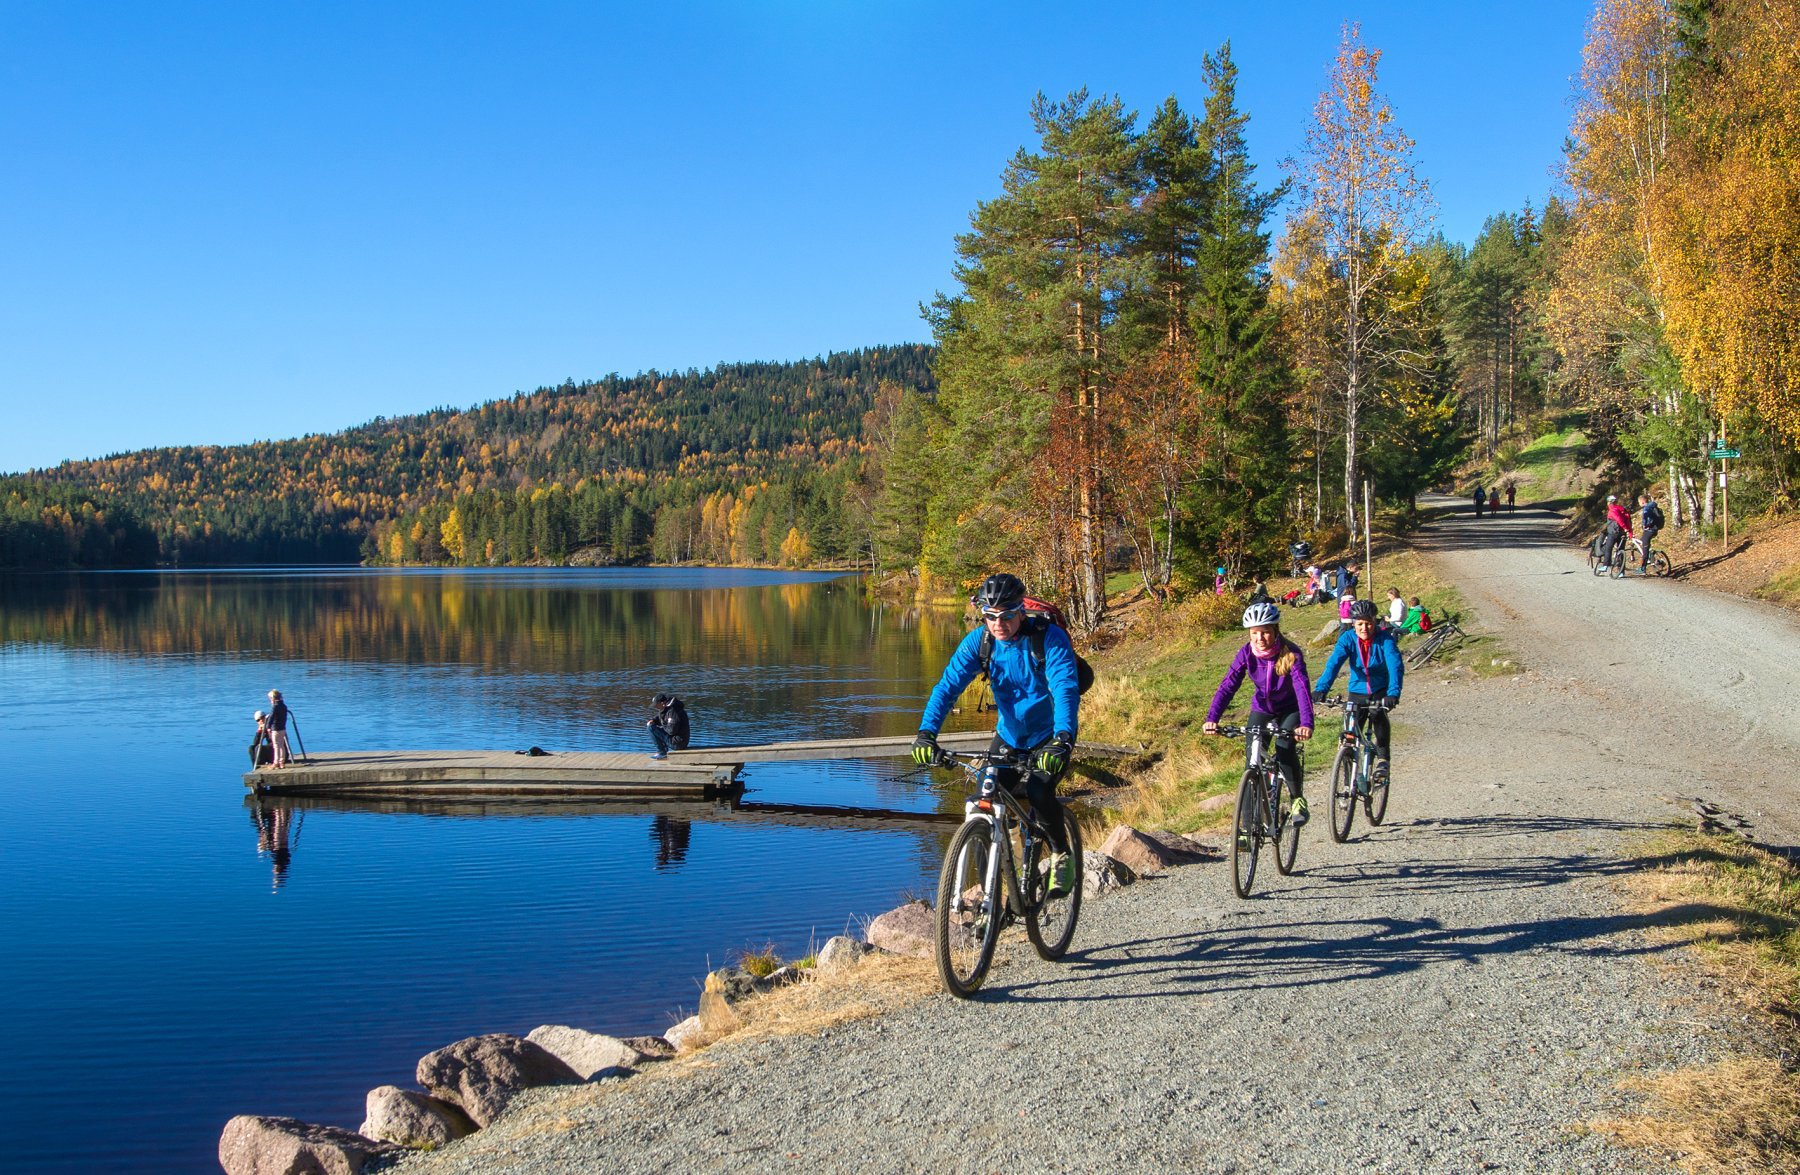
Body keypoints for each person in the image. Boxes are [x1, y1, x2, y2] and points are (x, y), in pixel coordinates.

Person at [912, 573, 1082, 895]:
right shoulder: (980, 642)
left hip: (1050, 735)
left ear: (1021, 611)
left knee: (1039, 791)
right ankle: (995, 892)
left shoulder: (1048, 639)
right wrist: (926, 733)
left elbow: (1064, 689)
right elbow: (947, 687)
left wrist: (1063, 739)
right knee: (981, 804)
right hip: (1009, 736)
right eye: (990, 616)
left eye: (1005, 615)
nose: (998, 624)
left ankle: (1061, 853)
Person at [1204, 602, 1315, 827]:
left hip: (1289, 710)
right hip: (1262, 709)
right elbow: (1228, 686)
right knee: (1251, 761)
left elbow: (1302, 689)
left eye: (1265, 632)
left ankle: (1297, 800)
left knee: (1284, 750)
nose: (1259, 638)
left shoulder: (1291, 654)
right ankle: (1246, 828)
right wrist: (1212, 719)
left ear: (1275, 630)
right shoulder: (1246, 653)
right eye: (1254, 633)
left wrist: (1306, 723)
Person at [1312, 599, 1404, 785]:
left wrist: (1393, 694)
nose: (1364, 628)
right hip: (1357, 690)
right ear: (1353, 624)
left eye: (1368, 623)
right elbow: (1333, 664)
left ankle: (1383, 759)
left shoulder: (1385, 639)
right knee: (1349, 734)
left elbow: (1395, 666)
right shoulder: (1347, 639)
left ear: (1375, 622)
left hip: (1380, 689)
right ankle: (1349, 777)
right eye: (1359, 624)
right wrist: (1321, 689)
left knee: (1377, 713)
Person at [646, 693, 690, 759]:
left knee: (651, 728)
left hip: (678, 743)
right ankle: (662, 751)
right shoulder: (667, 708)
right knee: (651, 725)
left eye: (656, 705)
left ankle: (662, 753)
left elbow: (672, 731)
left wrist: (661, 727)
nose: (655, 707)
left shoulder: (673, 711)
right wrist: (653, 720)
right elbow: (661, 717)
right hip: (677, 740)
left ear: (662, 703)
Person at [1598, 493, 1633, 571]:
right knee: (1621, 550)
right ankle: (1621, 571)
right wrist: (1629, 532)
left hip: (1614, 532)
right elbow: (1628, 520)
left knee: (1608, 548)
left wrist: (1624, 527)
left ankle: (1605, 565)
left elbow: (1618, 519)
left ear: (1609, 503)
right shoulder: (1622, 509)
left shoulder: (1612, 510)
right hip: (1623, 533)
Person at [1637, 492, 1665, 572]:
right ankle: (1652, 557)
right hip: (1655, 529)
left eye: (1639, 503)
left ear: (1642, 502)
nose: (1639, 504)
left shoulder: (1647, 508)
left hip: (1650, 530)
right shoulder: (1653, 506)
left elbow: (1647, 519)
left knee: (1644, 549)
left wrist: (1645, 525)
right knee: (1642, 543)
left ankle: (1643, 568)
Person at [266, 690, 291, 769]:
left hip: (276, 729)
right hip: (282, 728)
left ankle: (276, 762)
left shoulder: (275, 706)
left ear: (273, 698)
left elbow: (271, 717)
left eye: (270, 698)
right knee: (281, 746)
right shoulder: (284, 706)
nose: (270, 700)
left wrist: (268, 727)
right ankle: (282, 762)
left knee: (276, 746)